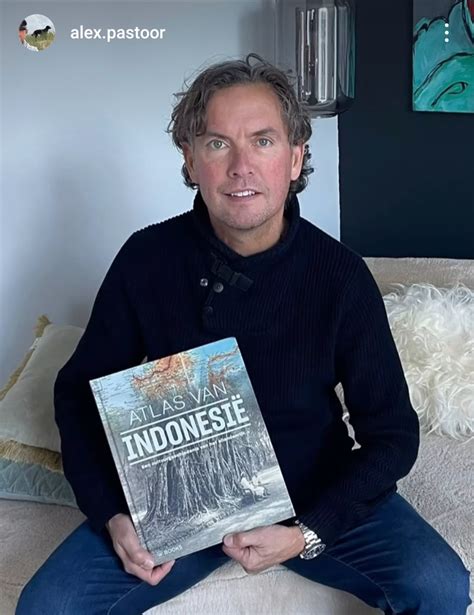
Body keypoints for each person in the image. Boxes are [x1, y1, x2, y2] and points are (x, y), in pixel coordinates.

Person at [16, 53, 471, 615]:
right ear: (190, 159)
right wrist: (111, 511)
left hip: (314, 491)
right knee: (50, 604)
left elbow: (393, 435)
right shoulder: (146, 259)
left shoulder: (340, 276)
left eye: (262, 141)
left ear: (295, 156)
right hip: (182, 501)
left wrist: (308, 531)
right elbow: (79, 393)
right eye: (217, 144)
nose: (241, 167)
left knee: (439, 585)